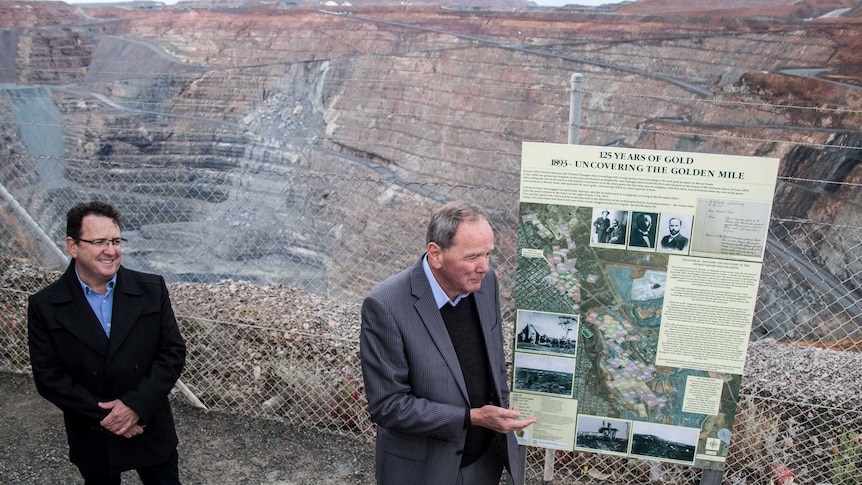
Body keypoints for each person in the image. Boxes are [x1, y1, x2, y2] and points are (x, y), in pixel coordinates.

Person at [360, 201, 537, 485]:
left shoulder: (485, 284)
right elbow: (388, 406)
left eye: (488, 254)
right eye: (472, 257)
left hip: (482, 465)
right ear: (436, 254)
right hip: (423, 471)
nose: (485, 267)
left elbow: (493, 362)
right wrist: (472, 418)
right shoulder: (386, 306)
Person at [28, 201, 186, 485]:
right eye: (99, 241)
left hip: (148, 425)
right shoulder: (45, 306)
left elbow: (172, 353)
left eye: (115, 241)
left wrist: (135, 406)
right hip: (93, 432)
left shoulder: (151, 289)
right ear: (73, 246)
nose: (111, 251)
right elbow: (49, 377)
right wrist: (109, 417)